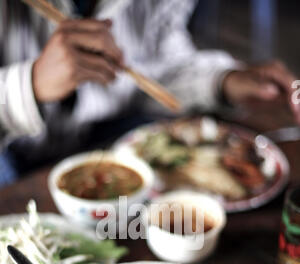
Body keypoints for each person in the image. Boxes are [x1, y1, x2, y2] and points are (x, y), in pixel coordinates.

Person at [0, 0, 299, 187]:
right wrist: (31, 84)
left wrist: (223, 81)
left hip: (108, 131)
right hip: (10, 151)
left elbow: (160, 64)